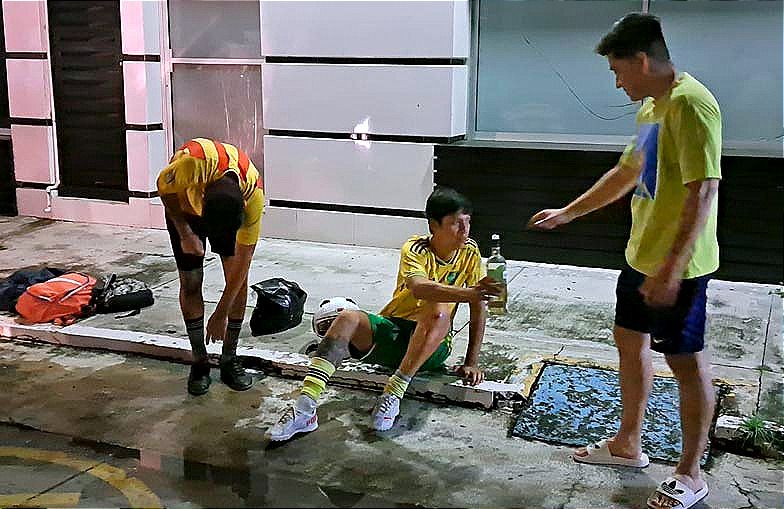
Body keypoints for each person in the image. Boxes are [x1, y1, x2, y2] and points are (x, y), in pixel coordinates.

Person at [528, 13, 721, 509]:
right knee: (629, 341)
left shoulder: (691, 104)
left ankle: (690, 473)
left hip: (679, 268)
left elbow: (704, 191)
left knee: (685, 362)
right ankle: (628, 444)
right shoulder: (652, 107)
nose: (616, 82)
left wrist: (672, 269)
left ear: (642, 60)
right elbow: (629, 171)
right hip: (641, 255)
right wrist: (568, 213)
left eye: (619, 71)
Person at [268, 187, 501, 440]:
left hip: (433, 345)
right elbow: (419, 287)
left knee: (438, 308)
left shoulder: (470, 252)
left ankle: (393, 393)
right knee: (346, 317)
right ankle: (304, 410)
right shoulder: (416, 249)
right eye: (456, 224)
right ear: (434, 225)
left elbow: (480, 305)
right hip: (396, 331)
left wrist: (471, 361)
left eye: (468, 222)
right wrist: (470, 293)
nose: (465, 231)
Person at [157, 137, 264, 396]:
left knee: (237, 282)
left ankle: (229, 359)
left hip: (222, 210)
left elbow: (242, 266)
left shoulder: (253, 197)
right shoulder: (190, 164)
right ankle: (200, 362)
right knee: (191, 281)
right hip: (185, 213)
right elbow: (164, 189)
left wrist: (221, 313)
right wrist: (185, 233)